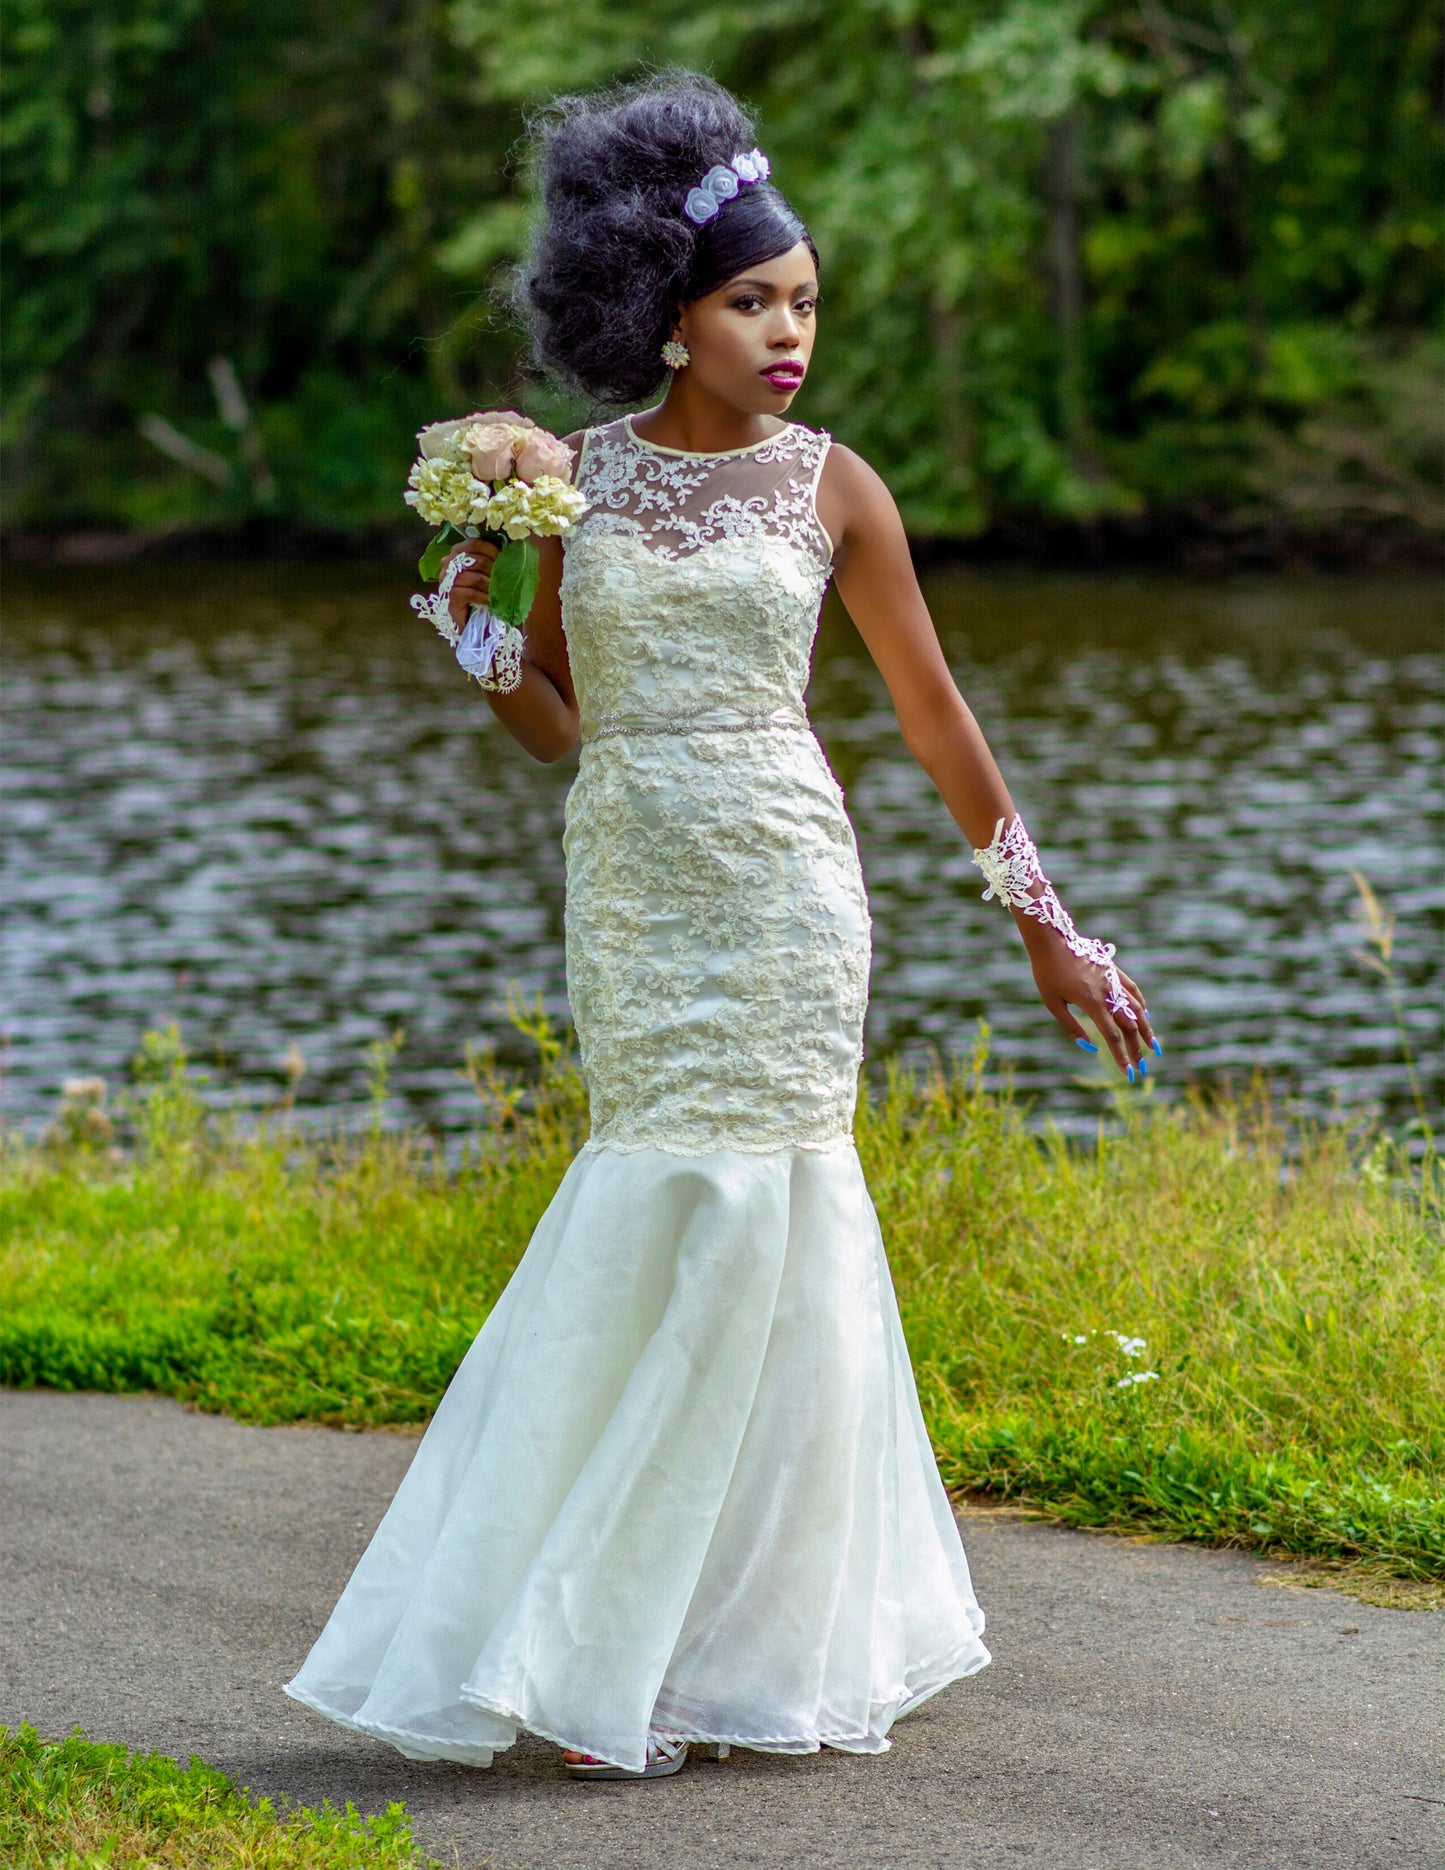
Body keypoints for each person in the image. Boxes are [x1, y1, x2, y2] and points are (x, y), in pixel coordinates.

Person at [284, 69, 1160, 1784]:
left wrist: (1049, 928)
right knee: (659, 1183)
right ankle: (581, 1635)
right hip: (635, 867)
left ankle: (743, 1643)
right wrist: (475, 630)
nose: (789, 331)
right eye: (754, 300)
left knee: (783, 1210)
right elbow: (552, 724)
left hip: (785, 879)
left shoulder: (837, 489)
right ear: (664, 317)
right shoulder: (569, 485)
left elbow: (935, 720)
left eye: (806, 301)